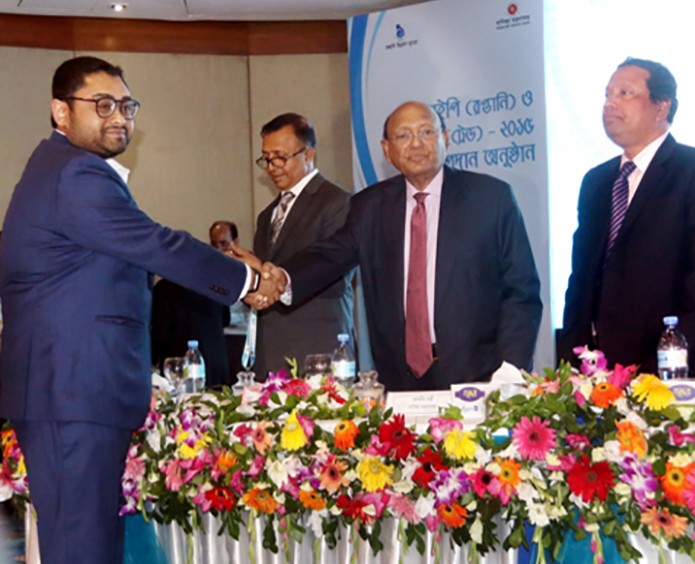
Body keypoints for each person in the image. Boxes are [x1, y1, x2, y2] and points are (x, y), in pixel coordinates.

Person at [0, 56, 281, 564]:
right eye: (102, 105)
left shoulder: (63, 169)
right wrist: (247, 280)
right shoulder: (75, 174)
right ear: (61, 111)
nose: (119, 117)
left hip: (73, 393)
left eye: (126, 106)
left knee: (90, 556)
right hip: (73, 394)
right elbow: (157, 244)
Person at [239, 101, 542, 391]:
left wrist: (511, 369)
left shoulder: (490, 198)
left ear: (445, 139)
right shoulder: (370, 206)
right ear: (387, 150)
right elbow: (331, 255)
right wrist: (280, 278)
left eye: (427, 132)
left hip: (479, 376)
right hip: (399, 377)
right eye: (403, 135)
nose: (417, 144)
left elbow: (522, 290)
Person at [559, 58, 695, 376]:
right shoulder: (596, 181)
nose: (610, 104)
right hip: (596, 371)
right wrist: (573, 359)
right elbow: (581, 278)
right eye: (607, 94)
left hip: (667, 369)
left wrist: (669, 363)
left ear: (661, 106)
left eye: (625, 93)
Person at [251, 113, 355, 377]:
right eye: (266, 158)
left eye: (280, 157)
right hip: (271, 353)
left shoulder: (338, 202)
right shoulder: (266, 216)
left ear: (308, 155)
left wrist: (279, 279)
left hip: (318, 348)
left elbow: (332, 269)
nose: (272, 167)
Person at [150, 221, 241, 388]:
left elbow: (159, 335)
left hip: (182, 371)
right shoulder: (214, 283)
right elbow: (225, 319)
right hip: (218, 367)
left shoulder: (164, 289)